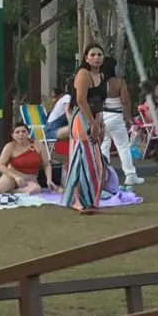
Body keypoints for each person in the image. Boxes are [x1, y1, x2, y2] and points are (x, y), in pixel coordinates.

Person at [61, 43, 109, 214]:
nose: (96, 57)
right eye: (93, 54)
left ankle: (89, 200)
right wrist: (93, 123)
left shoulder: (102, 76)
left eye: (99, 54)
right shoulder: (83, 74)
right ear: (86, 58)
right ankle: (79, 201)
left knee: (92, 162)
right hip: (81, 118)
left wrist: (101, 123)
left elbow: (100, 103)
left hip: (95, 118)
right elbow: (81, 100)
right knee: (87, 161)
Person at [98, 56, 143, 188]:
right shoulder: (119, 82)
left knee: (104, 146)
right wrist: (128, 118)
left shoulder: (98, 82)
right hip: (116, 116)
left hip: (102, 115)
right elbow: (124, 101)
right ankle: (130, 175)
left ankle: (103, 175)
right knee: (123, 147)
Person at [0, 123, 52, 195]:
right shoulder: (9, 146)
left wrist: (49, 179)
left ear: (28, 133)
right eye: (17, 132)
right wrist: (16, 177)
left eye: (23, 131)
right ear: (12, 135)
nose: (21, 134)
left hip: (29, 179)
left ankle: (10, 192)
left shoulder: (38, 145)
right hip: (12, 176)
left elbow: (47, 164)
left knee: (35, 190)